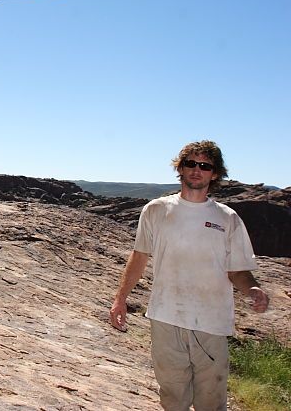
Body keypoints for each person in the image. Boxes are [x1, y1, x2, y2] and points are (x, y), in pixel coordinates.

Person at [109, 140, 269, 411]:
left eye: (205, 165)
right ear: (180, 168)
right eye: (190, 163)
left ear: (215, 173)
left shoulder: (228, 218)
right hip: (165, 317)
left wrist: (252, 289)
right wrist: (120, 300)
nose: (197, 170)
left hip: (211, 322)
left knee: (211, 400)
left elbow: (237, 270)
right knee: (172, 397)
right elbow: (139, 256)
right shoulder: (156, 210)